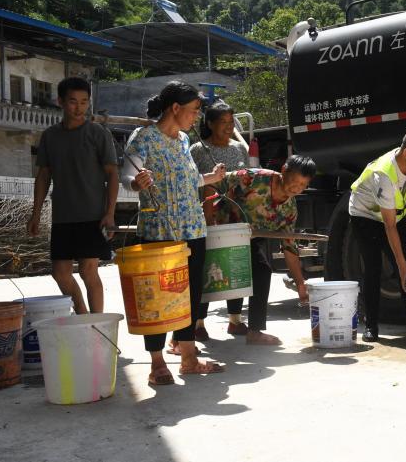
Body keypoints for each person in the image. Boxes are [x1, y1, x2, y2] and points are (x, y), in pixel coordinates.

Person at [121, 80, 226, 385]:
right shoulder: (144, 137)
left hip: (192, 229)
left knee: (189, 295)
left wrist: (211, 178)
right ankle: (157, 364)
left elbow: (186, 181)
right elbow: (129, 172)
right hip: (159, 232)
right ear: (175, 108)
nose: (197, 116)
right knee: (156, 298)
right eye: (194, 110)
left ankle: (189, 358)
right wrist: (135, 182)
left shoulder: (182, 140)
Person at [27, 77, 118, 315]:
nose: (79, 108)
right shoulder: (50, 136)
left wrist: (110, 213)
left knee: (89, 271)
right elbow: (43, 176)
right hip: (62, 216)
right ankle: (82, 315)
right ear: (60, 102)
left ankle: (99, 325)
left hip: (93, 215)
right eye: (73, 102)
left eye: (84, 102)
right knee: (60, 273)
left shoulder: (98, 133)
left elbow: (113, 174)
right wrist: (35, 213)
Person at [206, 156, 316, 345]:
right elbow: (213, 182)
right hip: (218, 231)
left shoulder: (289, 208)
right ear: (284, 170)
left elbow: (289, 246)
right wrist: (208, 222)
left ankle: (254, 331)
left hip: (247, 240)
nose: (296, 188)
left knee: (260, 270)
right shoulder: (254, 178)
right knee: (207, 277)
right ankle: (195, 328)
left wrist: (300, 283)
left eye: (303, 185)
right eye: (294, 181)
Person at [348, 129, 406, 343]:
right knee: (374, 266)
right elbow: (389, 226)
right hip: (365, 216)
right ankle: (371, 326)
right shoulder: (385, 175)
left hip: (390, 214)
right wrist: (399, 261)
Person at [189, 101, 250, 340]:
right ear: (210, 124)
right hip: (206, 217)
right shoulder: (197, 149)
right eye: (222, 122)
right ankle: (198, 323)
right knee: (207, 268)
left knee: (236, 264)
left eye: (230, 122)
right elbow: (196, 185)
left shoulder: (239, 148)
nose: (227, 127)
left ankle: (235, 319)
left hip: (236, 216)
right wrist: (208, 217)